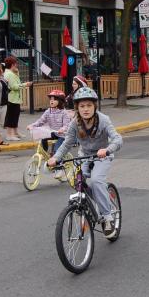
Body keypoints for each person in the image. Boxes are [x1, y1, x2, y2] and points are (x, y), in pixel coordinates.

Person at [48, 87, 123, 237]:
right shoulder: (75, 123)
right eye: (82, 106)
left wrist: (107, 149)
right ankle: (99, 201)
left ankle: (108, 218)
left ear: (95, 106)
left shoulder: (103, 120)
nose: (86, 109)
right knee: (78, 182)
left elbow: (118, 139)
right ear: (77, 108)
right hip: (85, 156)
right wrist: (55, 158)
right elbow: (67, 143)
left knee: (95, 180)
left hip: (102, 156)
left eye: (89, 105)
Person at [27, 89, 71, 155]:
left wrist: (62, 129)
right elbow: (40, 121)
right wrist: (32, 125)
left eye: (54, 99)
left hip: (62, 135)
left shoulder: (64, 113)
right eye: (50, 99)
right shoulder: (48, 111)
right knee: (43, 137)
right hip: (54, 133)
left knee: (56, 151)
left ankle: (58, 159)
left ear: (60, 101)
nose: (51, 101)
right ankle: (44, 153)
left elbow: (66, 125)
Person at [3, 56, 33, 141]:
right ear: (12, 64)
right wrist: (25, 84)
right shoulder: (9, 74)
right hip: (12, 98)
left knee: (15, 115)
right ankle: (10, 134)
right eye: (16, 63)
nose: (17, 65)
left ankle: (15, 132)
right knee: (11, 116)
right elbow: (14, 86)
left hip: (13, 98)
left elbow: (16, 83)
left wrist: (17, 73)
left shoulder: (10, 73)